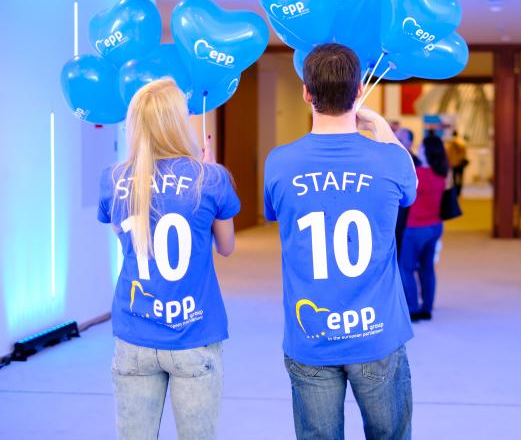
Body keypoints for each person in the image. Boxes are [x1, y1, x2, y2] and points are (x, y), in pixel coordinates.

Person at [263, 44, 416, 438]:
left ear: (306, 93)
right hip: (376, 333)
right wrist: (379, 126)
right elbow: (410, 189)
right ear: (359, 90)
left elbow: (274, 213)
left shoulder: (279, 163)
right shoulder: (390, 159)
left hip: (311, 336)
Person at [97, 79, 240, 440]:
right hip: (194, 333)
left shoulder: (114, 179)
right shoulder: (211, 179)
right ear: (178, 122)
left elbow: (126, 240)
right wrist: (205, 174)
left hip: (134, 333)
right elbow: (226, 247)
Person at [400, 133, 448, 321]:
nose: (418, 149)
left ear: (426, 151)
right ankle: (427, 308)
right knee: (427, 268)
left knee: (406, 268)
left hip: (416, 227)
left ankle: (413, 309)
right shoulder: (442, 174)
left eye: (421, 147)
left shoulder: (417, 174)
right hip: (435, 226)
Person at [395, 127, 421, 258]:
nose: (397, 142)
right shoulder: (392, 160)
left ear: (410, 143)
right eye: (396, 138)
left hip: (409, 212)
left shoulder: (417, 163)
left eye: (401, 140)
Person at [445, 130, 468, 196]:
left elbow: (448, 153)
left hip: (454, 163)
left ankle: (455, 191)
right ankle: (459, 191)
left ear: (452, 135)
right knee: (460, 177)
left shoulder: (450, 144)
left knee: (454, 178)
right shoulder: (461, 142)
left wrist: (449, 161)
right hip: (460, 163)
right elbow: (464, 152)